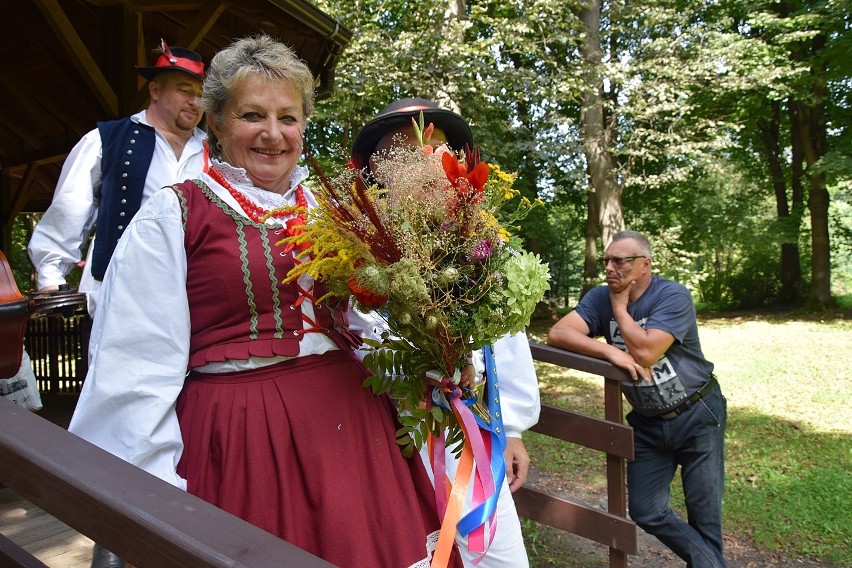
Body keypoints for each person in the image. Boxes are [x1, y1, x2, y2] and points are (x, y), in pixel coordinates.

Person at [68, 35, 460, 568]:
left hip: (355, 435)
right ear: (218, 122)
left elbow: (362, 320)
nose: (273, 134)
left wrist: (424, 364)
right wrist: (150, 500)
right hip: (243, 439)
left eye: (289, 117)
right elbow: (134, 366)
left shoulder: (332, 208)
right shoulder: (174, 214)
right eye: (252, 114)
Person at [350, 98, 541, 568]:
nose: (423, 159)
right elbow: (356, 336)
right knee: (414, 550)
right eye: (403, 151)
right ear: (378, 168)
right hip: (392, 434)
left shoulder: (479, 239)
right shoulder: (355, 249)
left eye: (434, 147)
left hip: (473, 438)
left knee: (498, 553)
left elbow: (505, 338)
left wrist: (511, 428)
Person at [546, 230, 727, 568]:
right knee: (646, 509)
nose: (610, 268)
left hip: (696, 415)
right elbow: (558, 333)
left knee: (705, 517)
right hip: (647, 423)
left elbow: (644, 351)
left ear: (645, 265)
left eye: (620, 261)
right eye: (607, 261)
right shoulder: (599, 298)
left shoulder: (672, 296)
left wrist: (620, 309)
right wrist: (608, 352)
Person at [28, 39, 206, 317]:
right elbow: (70, 208)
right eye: (185, 91)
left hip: (196, 295)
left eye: (200, 94)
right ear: (155, 90)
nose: (195, 102)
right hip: (119, 295)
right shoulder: (106, 140)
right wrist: (51, 277)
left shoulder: (215, 152)